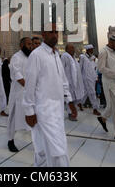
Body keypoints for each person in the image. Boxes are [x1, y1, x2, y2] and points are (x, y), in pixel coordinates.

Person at [23, 23, 77, 167]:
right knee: (58, 150)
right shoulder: (36, 55)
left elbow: (63, 81)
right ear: (43, 34)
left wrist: (70, 102)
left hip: (57, 110)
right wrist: (29, 111)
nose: (54, 34)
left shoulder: (55, 55)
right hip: (44, 110)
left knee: (43, 149)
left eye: (56, 32)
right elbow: (29, 86)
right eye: (50, 32)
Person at [7, 37, 32, 152]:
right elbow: (16, 74)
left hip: (28, 93)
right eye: (28, 44)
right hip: (18, 93)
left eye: (31, 44)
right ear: (21, 45)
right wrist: (27, 85)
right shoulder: (16, 57)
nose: (30, 46)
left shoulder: (31, 57)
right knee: (13, 117)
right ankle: (10, 140)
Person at [61, 44, 85, 119]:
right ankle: (70, 113)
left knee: (74, 98)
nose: (73, 49)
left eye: (73, 48)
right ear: (66, 49)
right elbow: (61, 69)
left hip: (75, 82)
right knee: (69, 98)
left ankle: (73, 112)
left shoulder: (73, 58)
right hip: (68, 82)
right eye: (71, 48)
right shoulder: (64, 56)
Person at [79, 44, 101, 116]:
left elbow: (94, 68)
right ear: (87, 50)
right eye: (91, 49)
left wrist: (96, 77)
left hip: (92, 78)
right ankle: (95, 108)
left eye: (92, 49)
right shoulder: (82, 57)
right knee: (92, 93)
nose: (92, 50)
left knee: (86, 92)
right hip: (85, 78)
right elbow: (80, 68)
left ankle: (80, 103)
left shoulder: (93, 58)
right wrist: (79, 78)